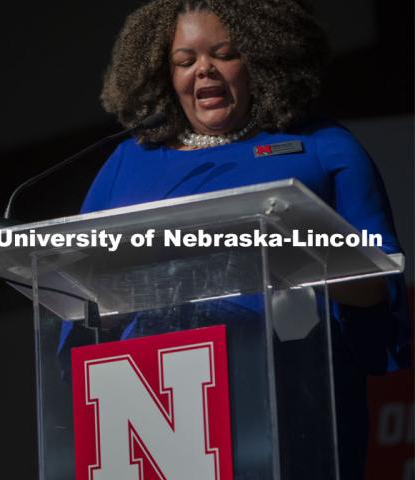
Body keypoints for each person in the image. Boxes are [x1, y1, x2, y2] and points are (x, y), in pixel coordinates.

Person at [60, 0, 410, 478]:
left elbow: (377, 287)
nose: (203, 70)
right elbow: (78, 297)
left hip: (292, 402)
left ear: (263, 58)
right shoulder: (126, 163)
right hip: (154, 411)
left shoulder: (324, 148)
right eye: (185, 61)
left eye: (224, 54)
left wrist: (296, 255)